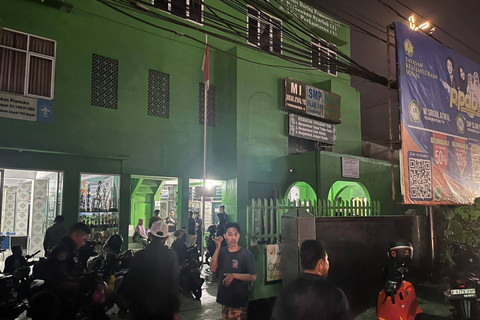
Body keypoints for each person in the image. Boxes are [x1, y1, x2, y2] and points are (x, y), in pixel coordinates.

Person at [270, 240, 352, 320]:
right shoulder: (336, 295)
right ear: (321, 263)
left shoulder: (287, 293)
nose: (328, 263)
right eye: (327, 259)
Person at [118, 220, 181, 320]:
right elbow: (173, 284)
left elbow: (131, 282)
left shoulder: (139, 256)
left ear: (150, 235)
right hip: (164, 310)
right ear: (166, 237)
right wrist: (175, 310)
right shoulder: (171, 256)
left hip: (141, 309)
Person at [43, 222, 92, 320]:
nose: (84, 243)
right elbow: (59, 275)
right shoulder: (63, 250)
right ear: (75, 235)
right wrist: (78, 282)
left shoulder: (71, 250)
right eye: (84, 239)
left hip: (68, 295)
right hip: (61, 298)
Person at [211, 222, 256, 320]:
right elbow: (213, 268)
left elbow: (253, 276)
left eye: (236, 234)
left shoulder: (246, 254)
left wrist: (234, 275)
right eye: (230, 234)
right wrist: (217, 248)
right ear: (225, 236)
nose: (233, 238)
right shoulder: (222, 251)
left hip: (238, 300)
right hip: (225, 298)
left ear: (239, 236)